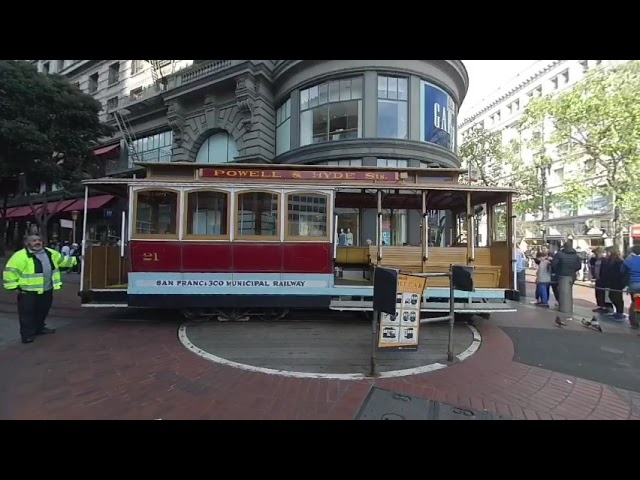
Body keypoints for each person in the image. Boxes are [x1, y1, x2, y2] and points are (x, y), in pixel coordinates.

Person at [2, 234, 79, 344]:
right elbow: (10, 272)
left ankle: (39, 328)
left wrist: (78, 259)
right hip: (28, 291)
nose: (37, 242)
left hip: (46, 289)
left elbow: (63, 261)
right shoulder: (19, 256)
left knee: (42, 311)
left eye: (39, 240)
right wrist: (13, 287)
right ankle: (27, 335)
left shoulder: (50, 253)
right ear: (27, 243)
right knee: (27, 314)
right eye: (33, 241)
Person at [551, 239, 582, 327]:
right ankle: (567, 307)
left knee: (560, 290)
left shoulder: (559, 254)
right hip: (571, 275)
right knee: (568, 291)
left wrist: (557, 270)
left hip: (561, 275)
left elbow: (554, 264)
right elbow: (578, 266)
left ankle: (563, 307)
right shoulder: (576, 255)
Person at [601, 246, 626, 321]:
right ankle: (618, 312)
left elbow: (621, 272)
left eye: (607, 252)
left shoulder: (618, 261)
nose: (606, 253)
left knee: (617, 297)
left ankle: (620, 312)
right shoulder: (609, 260)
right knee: (611, 296)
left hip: (617, 281)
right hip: (611, 281)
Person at [621, 245, 640, 329]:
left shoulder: (629, 261)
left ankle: (634, 322)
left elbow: (622, 271)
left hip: (633, 284)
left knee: (635, 302)